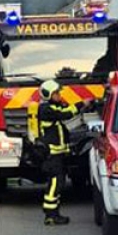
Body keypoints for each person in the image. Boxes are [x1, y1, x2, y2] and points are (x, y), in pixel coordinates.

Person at [36, 80, 91, 226]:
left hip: (57, 154)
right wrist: (81, 104)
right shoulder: (46, 109)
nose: (59, 95)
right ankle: (51, 215)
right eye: (56, 93)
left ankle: (53, 213)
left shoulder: (52, 107)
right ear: (48, 95)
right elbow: (65, 114)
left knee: (58, 182)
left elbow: (65, 109)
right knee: (55, 183)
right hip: (52, 155)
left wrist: (84, 104)